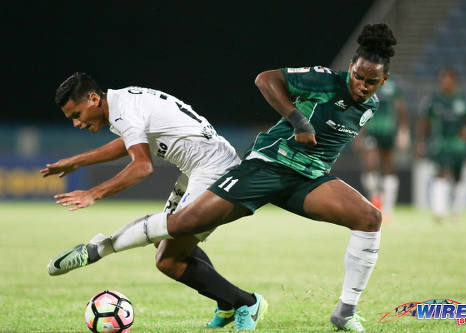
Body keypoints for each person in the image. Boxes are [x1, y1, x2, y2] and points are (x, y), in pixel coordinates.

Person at [49, 23, 397, 332]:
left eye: (371, 81)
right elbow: (266, 79)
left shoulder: (371, 106)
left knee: (369, 218)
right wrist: (298, 121)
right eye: (357, 76)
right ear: (350, 66)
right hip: (267, 166)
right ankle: (107, 250)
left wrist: (87, 181)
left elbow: (137, 158)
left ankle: (343, 312)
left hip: (295, 176)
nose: (362, 85)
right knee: (171, 249)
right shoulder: (324, 80)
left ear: (384, 80)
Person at [43, 73, 265, 330]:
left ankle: (246, 302)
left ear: (93, 99)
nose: (76, 124)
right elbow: (127, 144)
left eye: (76, 115)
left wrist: (94, 193)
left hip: (213, 168)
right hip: (201, 166)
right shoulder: (122, 102)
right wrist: (77, 161)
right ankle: (227, 304)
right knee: (165, 242)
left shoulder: (122, 110)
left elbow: (142, 167)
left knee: (168, 261)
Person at [416, 69, 466, 223]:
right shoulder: (434, 100)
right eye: (442, 79)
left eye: (447, 79)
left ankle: (456, 210)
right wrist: (421, 142)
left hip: (458, 144)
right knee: (441, 173)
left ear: (454, 81)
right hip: (440, 143)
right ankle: (439, 211)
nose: (444, 82)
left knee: (458, 177)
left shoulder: (464, 99)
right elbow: (424, 122)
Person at [356, 76, 409, 222]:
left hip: (389, 131)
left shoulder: (393, 85)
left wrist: (403, 131)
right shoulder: (367, 83)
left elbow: (401, 109)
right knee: (370, 163)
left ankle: (388, 208)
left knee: (388, 165)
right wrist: (359, 134)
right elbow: (361, 108)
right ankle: (375, 198)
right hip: (372, 130)